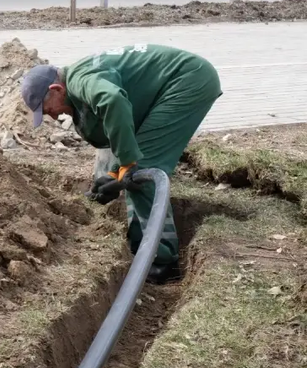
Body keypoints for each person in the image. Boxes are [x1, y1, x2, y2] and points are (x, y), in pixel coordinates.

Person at [20, 44, 222, 284]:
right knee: (129, 170)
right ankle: (139, 245)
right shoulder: (76, 80)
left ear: (56, 89)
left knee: (142, 171)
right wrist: (112, 176)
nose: (53, 116)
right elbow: (111, 130)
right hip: (177, 81)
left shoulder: (82, 80)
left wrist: (127, 164)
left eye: (47, 109)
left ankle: (162, 260)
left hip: (187, 82)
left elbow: (113, 100)